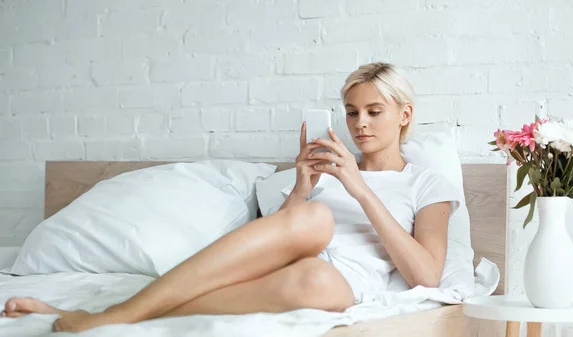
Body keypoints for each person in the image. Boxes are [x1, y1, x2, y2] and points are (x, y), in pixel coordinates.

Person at [1, 62, 460, 332]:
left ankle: (103, 316)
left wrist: (360, 190)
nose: (360, 124)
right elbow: (275, 236)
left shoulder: (426, 184)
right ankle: (109, 316)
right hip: (293, 252)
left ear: (405, 115)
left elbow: (427, 275)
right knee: (315, 217)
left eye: (374, 112)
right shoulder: (328, 172)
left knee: (315, 281)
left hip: (338, 281)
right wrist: (300, 189)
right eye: (352, 112)